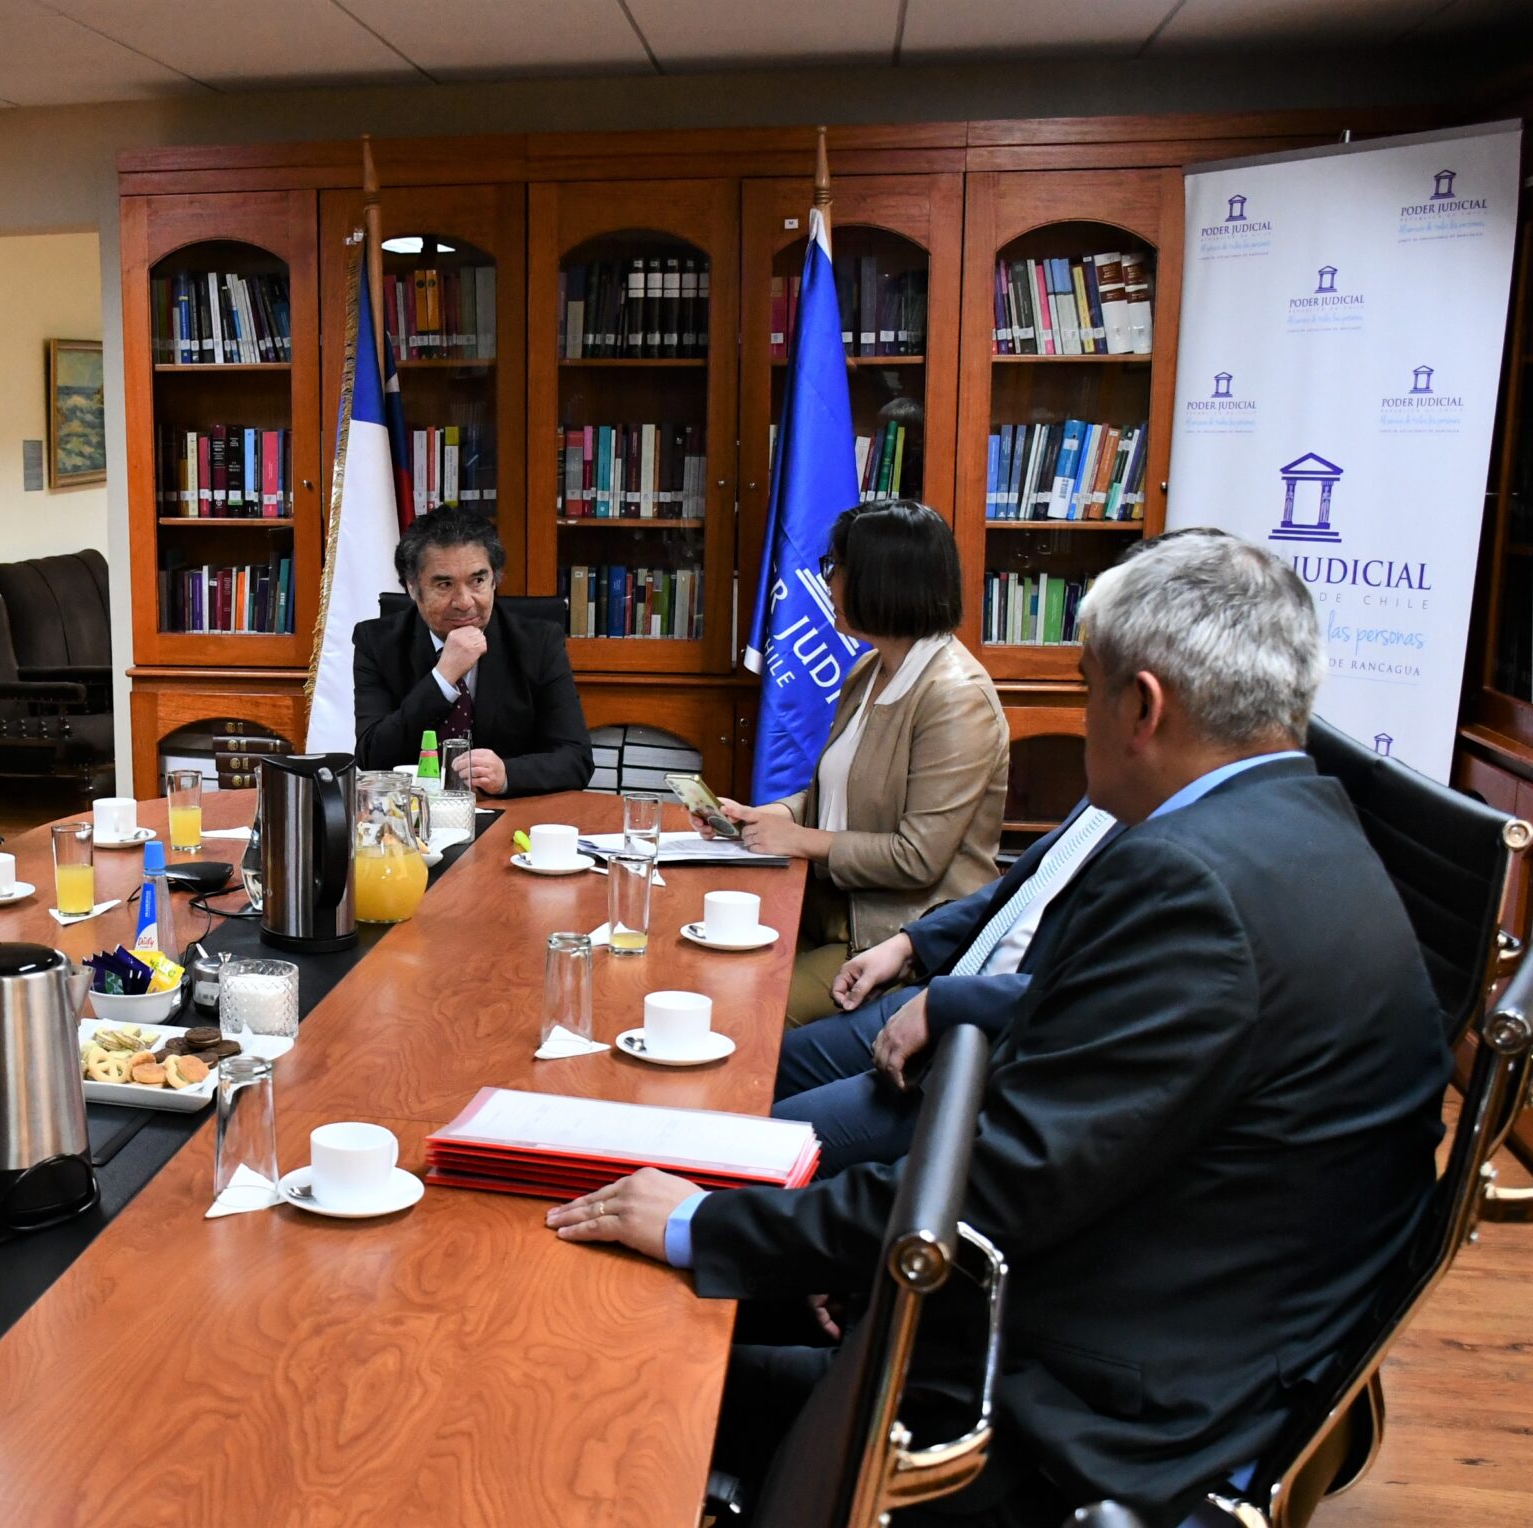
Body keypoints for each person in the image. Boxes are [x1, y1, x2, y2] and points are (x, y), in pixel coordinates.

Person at [550, 532, 1449, 1526]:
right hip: (1172, 1311)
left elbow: (995, 1187)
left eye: (1086, 688)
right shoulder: (1299, 831)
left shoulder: (1190, 884)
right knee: (702, 1304)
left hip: (1082, 1409)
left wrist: (705, 1223)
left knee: (610, 1372)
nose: (1080, 714)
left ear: (1143, 707)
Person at [714, 500, 1007, 1023]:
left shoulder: (956, 697)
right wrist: (767, 817)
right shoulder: (869, 669)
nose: (828, 583)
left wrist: (796, 839)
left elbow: (917, 857)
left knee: (743, 1015)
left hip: (894, 935)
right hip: (827, 909)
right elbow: (836, 792)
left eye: (837, 568)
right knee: (703, 970)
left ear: (883, 581)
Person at [770, 797, 1121, 1172]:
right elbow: (1025, 890)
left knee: (769, 1142)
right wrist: (909, 945)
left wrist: (946, 1004)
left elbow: (1099, 993)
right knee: (770, 1066)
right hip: (950, 989)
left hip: (996, 1046)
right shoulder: (1116, 797)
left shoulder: (1157, 840)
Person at [350, 505, 590, 796]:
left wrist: (507, 774)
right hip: (414, 814)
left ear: (494, 580)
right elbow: (372, 757)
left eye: (477, 581)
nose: (464, 602)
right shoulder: (376, 643)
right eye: (444, 584)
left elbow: (576, 758)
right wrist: (442, 678)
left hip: (509, 813)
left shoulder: (538, 643)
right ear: (412, 588)